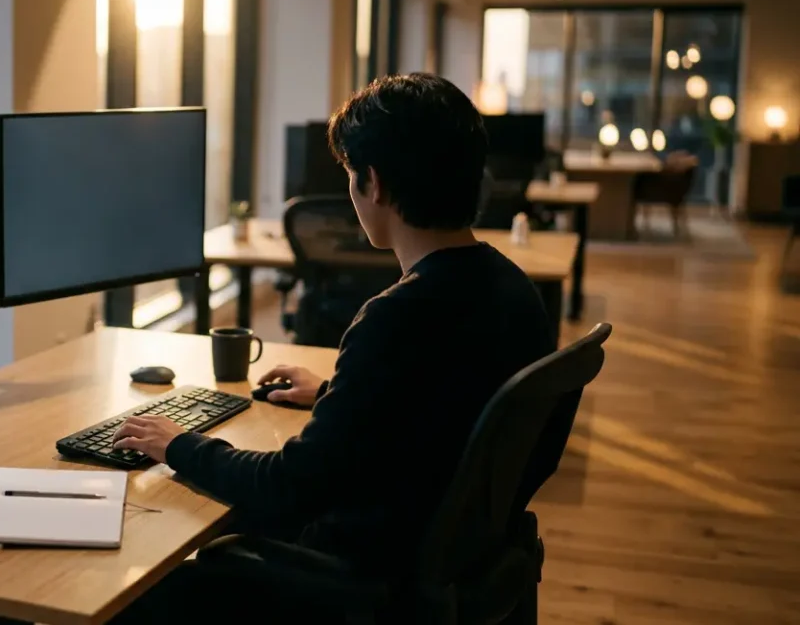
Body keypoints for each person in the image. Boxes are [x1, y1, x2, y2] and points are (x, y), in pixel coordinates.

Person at [109, 73, 557, 622]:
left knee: (139, 585)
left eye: (349, 174)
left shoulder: (397, 315)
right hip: (447, 555)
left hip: (365, 578)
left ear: (373, 183)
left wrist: (177, 443)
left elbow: (290, 487)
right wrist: (334, 393)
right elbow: (455, 407)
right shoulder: (515, 290)